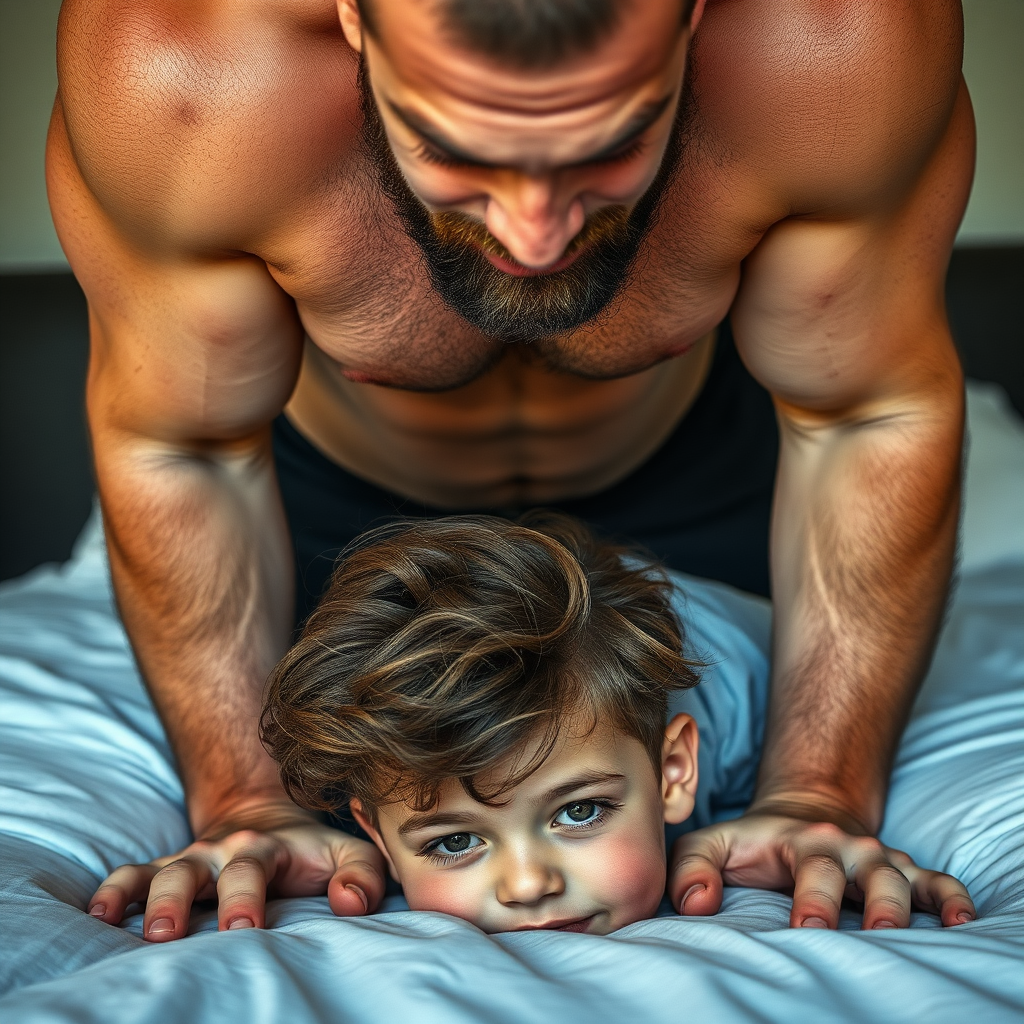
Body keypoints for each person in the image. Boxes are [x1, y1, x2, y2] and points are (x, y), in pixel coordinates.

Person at [60, 0, 975, 940]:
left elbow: (866, 411)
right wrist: (242, 801)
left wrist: (821, 792)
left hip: (699, 484)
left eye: (609, 146)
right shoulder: (184, 77)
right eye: (453, 152)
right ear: (353, 24)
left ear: (695, 19)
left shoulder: (835, 43)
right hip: (340, 536)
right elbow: (188, 446)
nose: (535, 239)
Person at [262, 514, 705, 934]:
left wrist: (780, 797)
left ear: (674, 772)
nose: (528, 886)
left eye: (579, 811)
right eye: (455, 842)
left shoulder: (748, 696)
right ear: (378, 839)